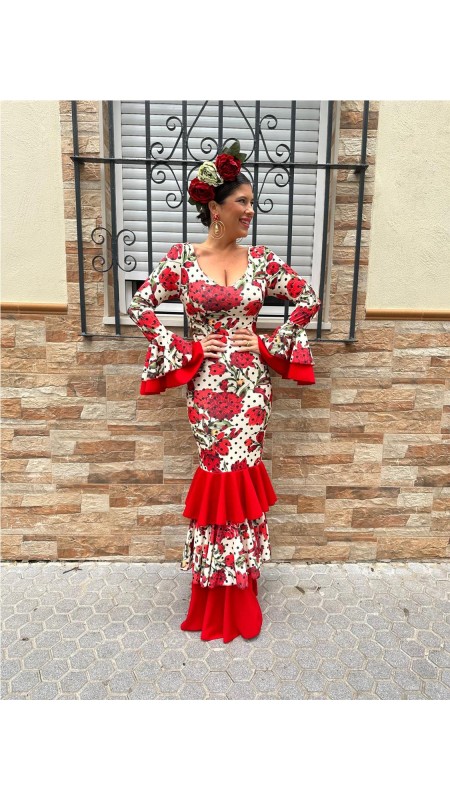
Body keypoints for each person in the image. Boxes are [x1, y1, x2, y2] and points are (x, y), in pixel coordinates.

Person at [127, 140, 321, 643]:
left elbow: (308, 298)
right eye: (243, 203)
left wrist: (265, 342)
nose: (251, 212)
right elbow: (141, 305)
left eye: (253, 204)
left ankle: (241, 587)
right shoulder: (181, 261)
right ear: (215, 208)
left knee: (243, 474)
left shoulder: (261, 260)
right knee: (219, 475)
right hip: (208, 388)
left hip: (253, 391)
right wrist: (188, 348)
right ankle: (213, 592)